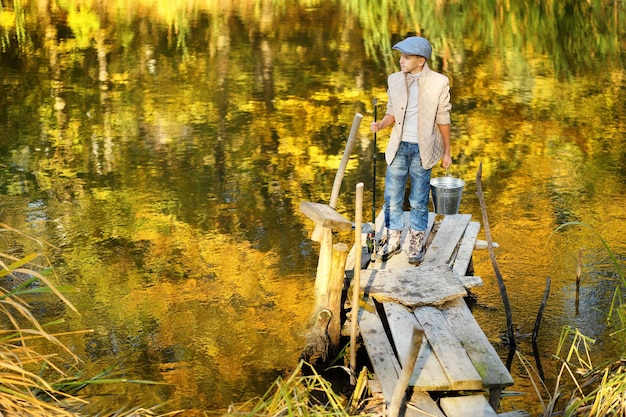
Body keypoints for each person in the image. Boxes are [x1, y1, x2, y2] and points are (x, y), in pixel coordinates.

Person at [370, 36, 452, 264]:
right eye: (401, 56)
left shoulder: (439, 82)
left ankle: (416, 240)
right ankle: (393, 237)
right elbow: (392, 112)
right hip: (398, 146)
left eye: (406, 57)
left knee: (418, 198)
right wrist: (381, 125)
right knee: (392, 196)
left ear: (421, 60)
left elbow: (443, 117)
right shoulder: (394, 80)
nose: (401, 61)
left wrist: (447, 152)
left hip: (423, 149)